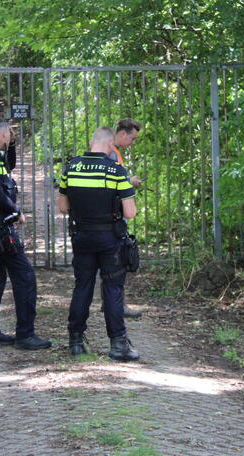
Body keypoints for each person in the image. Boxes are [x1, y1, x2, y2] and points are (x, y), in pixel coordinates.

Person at [57, 126, 140, 361]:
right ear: (110, 144)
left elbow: (63, 207)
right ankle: (118, 345)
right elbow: (130, 213)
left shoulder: (70, 168)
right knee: (113, 289)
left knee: (82, 286)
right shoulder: (116, 171)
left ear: (92, 141)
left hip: (82, 236)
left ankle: (75, 342)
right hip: (110, 240)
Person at [0, 118, 51, 350]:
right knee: (25, 277)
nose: (10, 138)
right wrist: (16, 211)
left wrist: (13, 146)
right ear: (3, 133)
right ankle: (25, 335)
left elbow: (9, 166)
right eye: (9, 135)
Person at [104, 118, 142, 318]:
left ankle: (112, 303)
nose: (132, 143)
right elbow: (109, 181)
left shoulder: (114, 152)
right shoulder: (111, 153)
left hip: (113, 214)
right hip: (114, 216)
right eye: (132, 138)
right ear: (122, 133)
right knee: (117, 262)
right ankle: (117, 306)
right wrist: (130, 181)